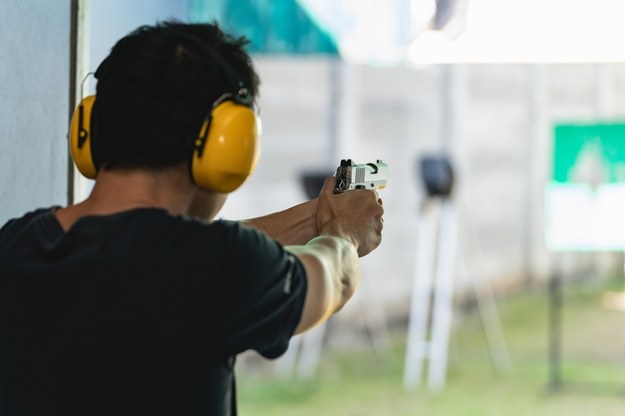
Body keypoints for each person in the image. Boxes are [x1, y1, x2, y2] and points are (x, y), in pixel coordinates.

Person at [0, 21, 383, 415]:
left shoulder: (15, 244)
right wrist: (345, 233)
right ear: (228, 146)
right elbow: (333, 276)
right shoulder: (217, 266)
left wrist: (317, 218)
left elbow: (157, 254)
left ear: (92, 129)